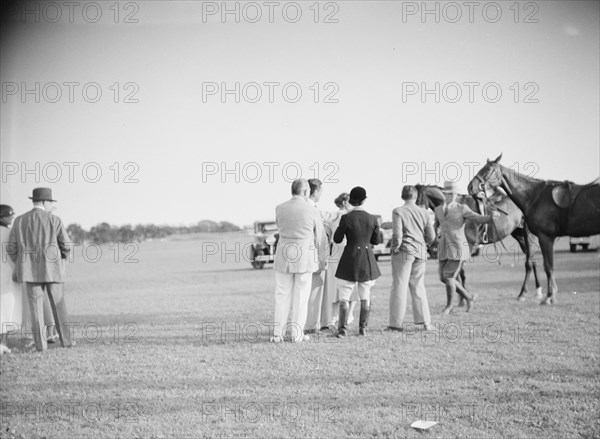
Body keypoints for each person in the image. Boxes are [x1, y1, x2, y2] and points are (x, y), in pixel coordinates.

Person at [7, 188, 74, 351]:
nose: (51, 204)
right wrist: (62, 257)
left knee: (35, 310)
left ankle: (40, 345)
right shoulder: (54, 219)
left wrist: (22, 262)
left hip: (29, 271)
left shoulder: (19, 221)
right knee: (59, 306)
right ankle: (66, 342)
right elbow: (66, 245)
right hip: (53, 270)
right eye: (51, 201)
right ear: (44, 202)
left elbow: (11, 248)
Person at [434, 181, 498, 314]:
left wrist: (491, 218)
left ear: (456, 194)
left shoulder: (462, 208)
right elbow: (437, 225)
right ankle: (469, 297)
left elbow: (477, 218)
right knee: (442, 277)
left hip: (458, 247)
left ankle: (449, 306)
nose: (451, 196)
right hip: (443, 247)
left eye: (454, 193)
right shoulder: (438, 209)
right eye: (448, 194)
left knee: (449, 276)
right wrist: (435, 235)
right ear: (444, 194)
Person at [272, 179, 323, 343]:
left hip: (283, 256)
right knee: (301, 297)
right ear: (306, 192)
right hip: (304, 258)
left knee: (281, 295)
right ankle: (297, 334)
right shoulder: (312, 210)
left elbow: (280, 228)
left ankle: (278, 334)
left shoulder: (279, 208)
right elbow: (319, 236)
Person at [333, 186, 381, 337]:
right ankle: (363, 328)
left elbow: (337, 239)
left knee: (344, 296)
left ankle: (342, 330)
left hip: (350, 258)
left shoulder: (346, 218)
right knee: (365, 295)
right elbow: (376, 240)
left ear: (351, 200)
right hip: (366, 258)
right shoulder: (372, 218)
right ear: (364, 200)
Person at [387, 186, 435, 332]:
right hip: (421, 252)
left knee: (399, 287)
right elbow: (431, 236)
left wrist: (395, 247)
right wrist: (422, 242)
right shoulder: (424, 212)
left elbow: (397, 235)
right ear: (416, 196)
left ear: (402, 196)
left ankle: (395, 324)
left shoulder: (398, 211)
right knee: (419, 287)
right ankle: (425, 322)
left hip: (404, 251)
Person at [304, 179, 340, 334]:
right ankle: (312, 324)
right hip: (314, 255)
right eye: (321, 191)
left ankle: (322, 321)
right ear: (316, 191)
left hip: (319, 254)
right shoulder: (309, 208)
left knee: (321, 289)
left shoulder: (312, 208)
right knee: (314, 290)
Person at [325, 193, 358, 329]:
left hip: (346, 251)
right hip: (338, 253)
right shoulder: (335, 217)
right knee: (338, 284)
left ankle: (344, 315)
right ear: (344, 202)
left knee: (347, 284)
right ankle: (338, 315)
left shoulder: (352, 215)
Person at [1, 205, 20, 354]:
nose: (12, 217)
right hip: (7, 274)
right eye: (9, 215)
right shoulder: (9, 233)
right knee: (6, 309)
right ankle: (3, 342)